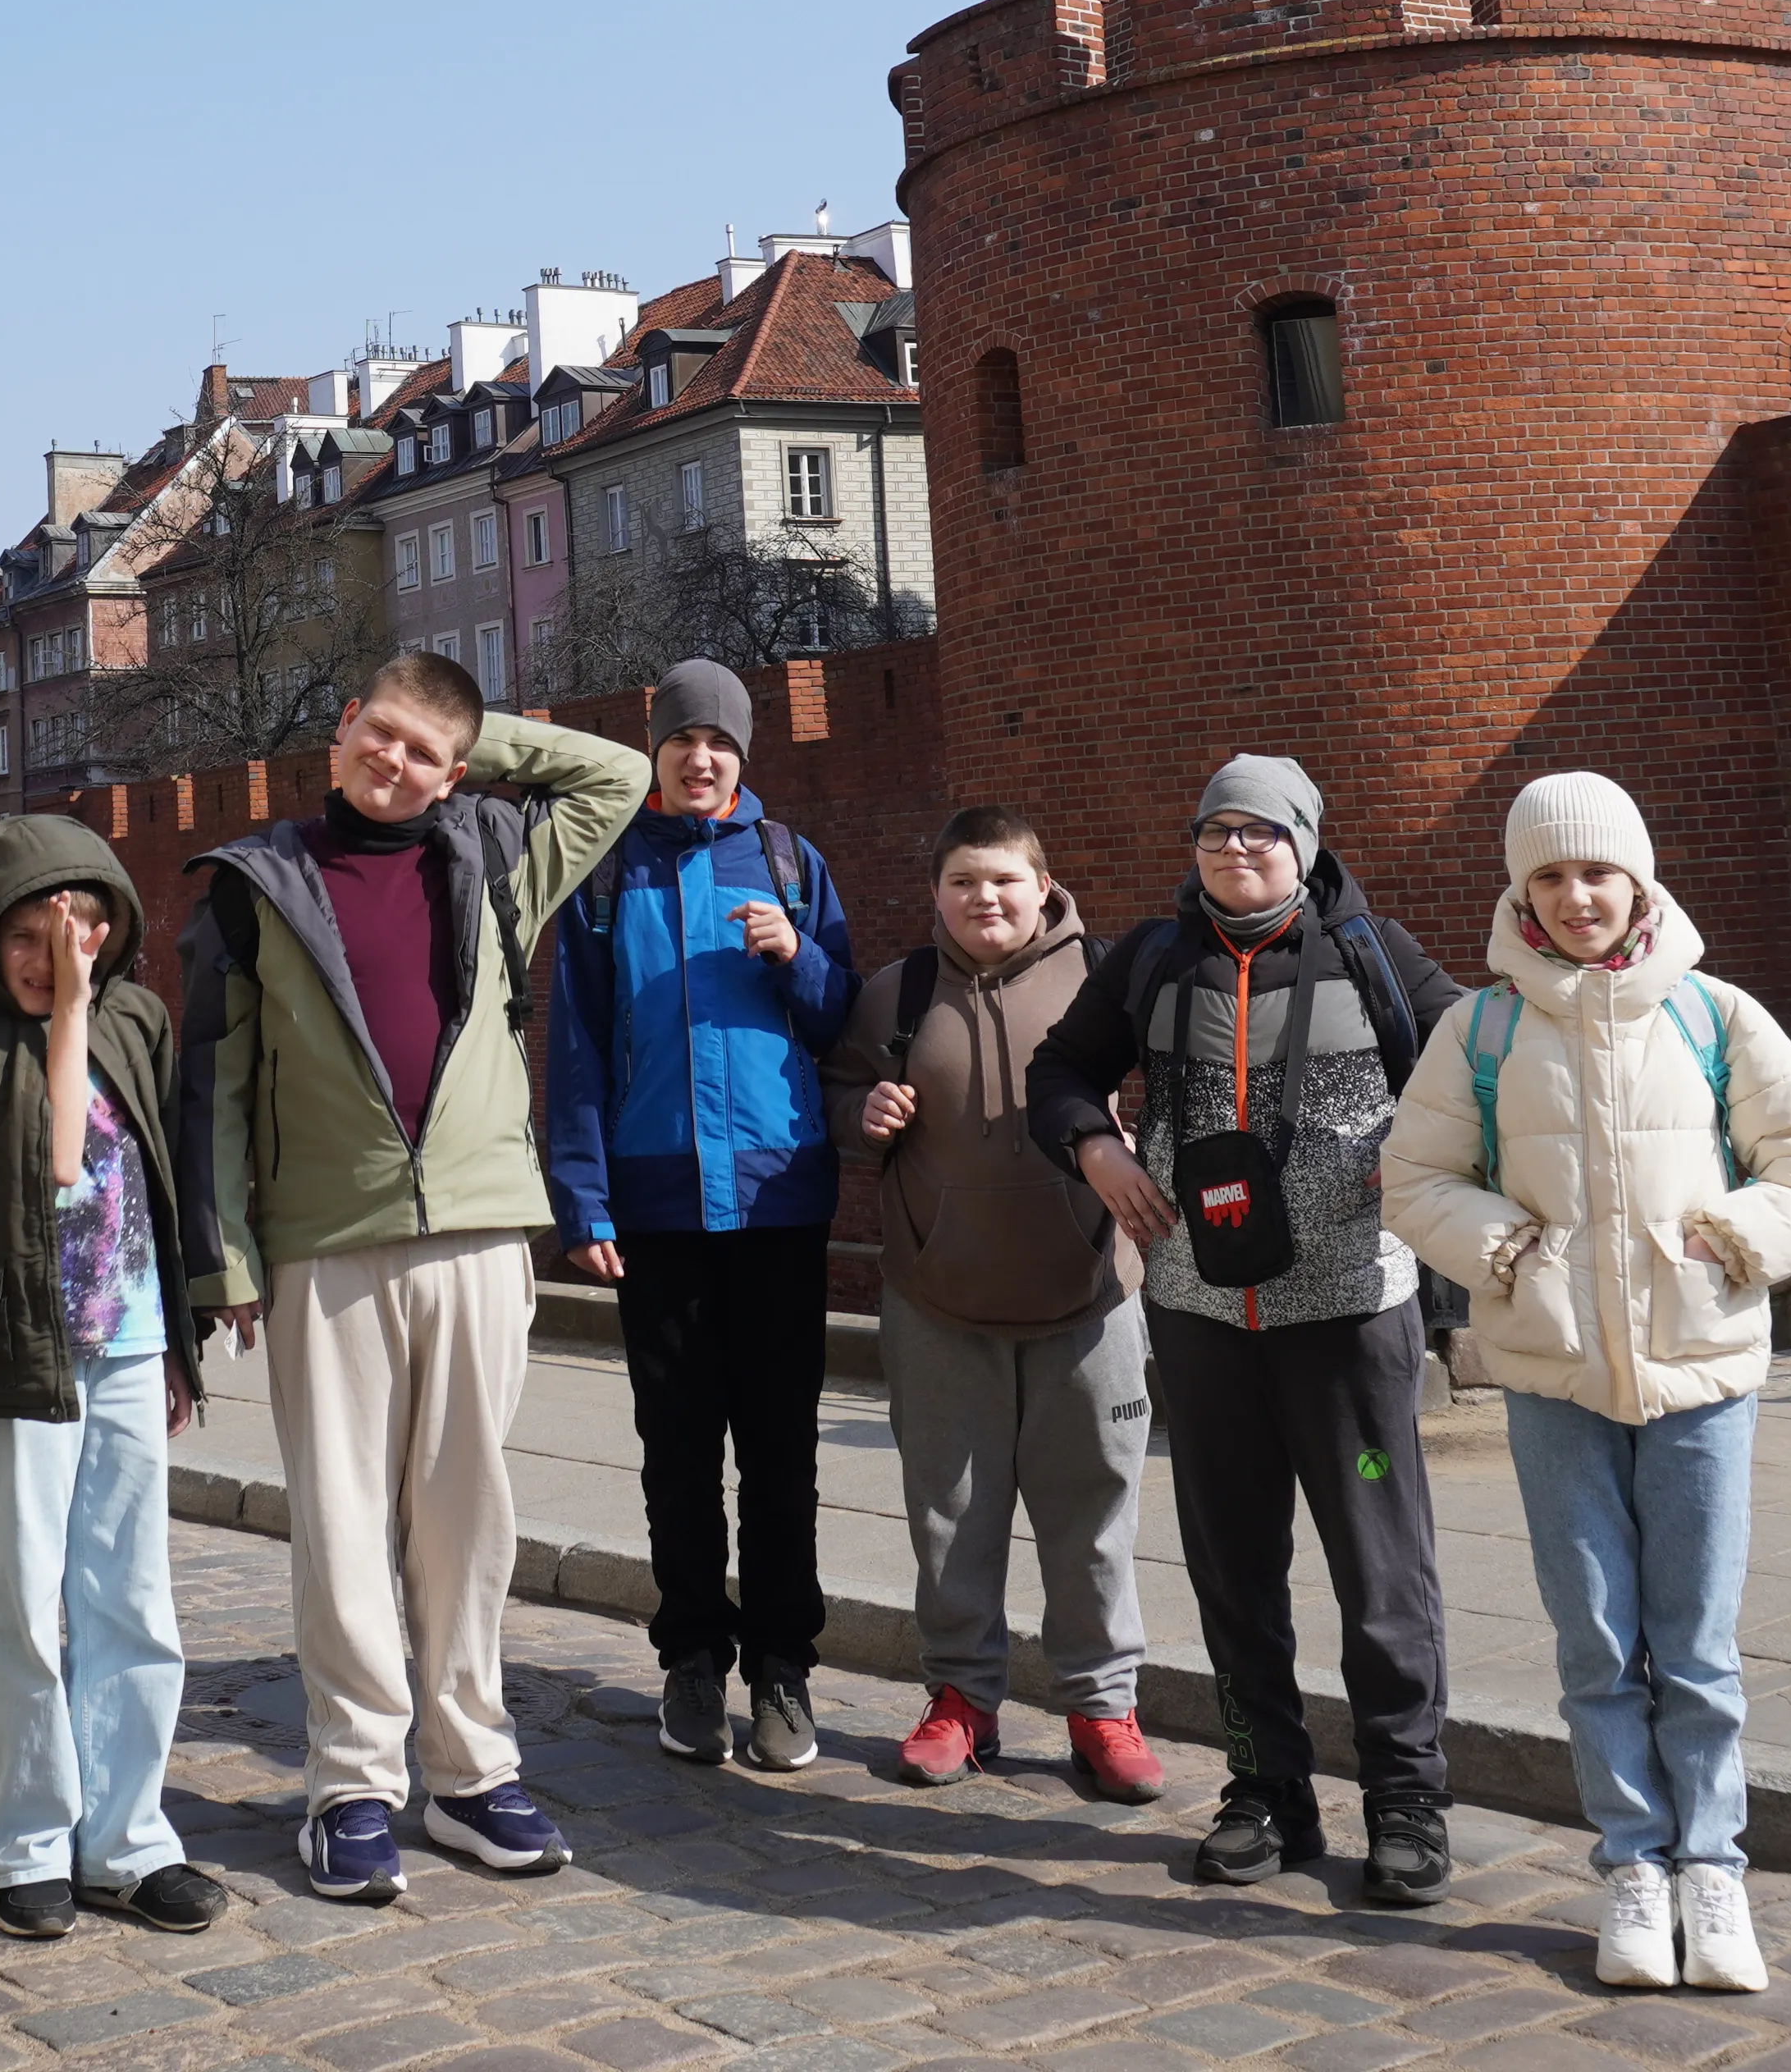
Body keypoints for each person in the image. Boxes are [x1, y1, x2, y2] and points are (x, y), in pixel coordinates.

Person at [183, 649, 647, 1905]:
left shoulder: (494, 857)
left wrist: (465, 744)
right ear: (339, 730)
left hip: (483, 1230)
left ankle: (470, 1770)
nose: (394, 764)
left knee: (465, 1518)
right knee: (339, 1520)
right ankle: (349, 1784)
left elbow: (620, 775)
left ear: (457, 772)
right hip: (322, 1242)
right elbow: (213, 1088)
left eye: (423, 754)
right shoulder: (256, 886)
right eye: (379, 736)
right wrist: (222, 1255)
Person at [1384, 773, 1791, 1994]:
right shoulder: (1480, 1032)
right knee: (1595, 1642)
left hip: (1701, 1376)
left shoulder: (1713, 1016)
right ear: (1521, 891)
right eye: (1550, 876)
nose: (1577, 895)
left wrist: (1735, 1239)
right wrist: (1504, 1249)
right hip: (1554, 1382)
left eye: (1597, 873)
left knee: (1697, 1646)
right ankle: (1633, 1873)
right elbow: (1417, 1176)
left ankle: (1715, 1869)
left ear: (1638, 880)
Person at [1023, 753, 1460, 1904]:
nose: (1235, 851)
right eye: (1216, 831)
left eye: (1261, 833)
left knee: (1381, 1571)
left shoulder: (1375, 952)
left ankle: (1407, 1794)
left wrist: (1410, 1177)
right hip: (1204, 1314)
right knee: (1232, 1570)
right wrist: (1096, 1145)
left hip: (1351, 1315)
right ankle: (1268, 1788)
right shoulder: (1154, 959)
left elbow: (1470, 1066)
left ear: (1306, 844)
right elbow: (1062, 1069)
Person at [0, 816, 223, 1943]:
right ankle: (29, 1840)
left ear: (115, 927)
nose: (53, 954)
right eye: (28, 933)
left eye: (78, 927)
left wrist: (179, 1336)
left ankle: (129, 1839)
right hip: (15, 1352)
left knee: (131, 1597)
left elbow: (162, 1189)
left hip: (124, 1345)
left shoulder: (138, 1018)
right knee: (25, 1604)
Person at [539, 656, 857, 1772]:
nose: (702, 758)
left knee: (781, 1454)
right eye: (684, 741)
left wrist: (798, 958)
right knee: (677, 1450)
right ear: (655, 750)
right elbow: (571, 1048)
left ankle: (782, 1669)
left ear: (743, 756)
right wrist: (580, 1197)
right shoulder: (605, 878)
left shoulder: (790, 863)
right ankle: (689, 1661)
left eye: (720, 743)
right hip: (658, 1200)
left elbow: (840, 1024)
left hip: (777, 1200)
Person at [825, 806, 1163, 1804]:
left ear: (1043, 885)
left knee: (1094, 1513)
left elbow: (1183, 1081)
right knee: (950, 1516)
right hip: (940, 1300)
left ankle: (1102, 1707)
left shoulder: (1107, 978)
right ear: (937, 893)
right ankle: (961, 1700)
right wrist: (864, 1113)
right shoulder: (899, 992)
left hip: (1089, 1299)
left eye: (1004, 880)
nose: (985, 899)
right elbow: (838, 1092)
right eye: (965, 881)